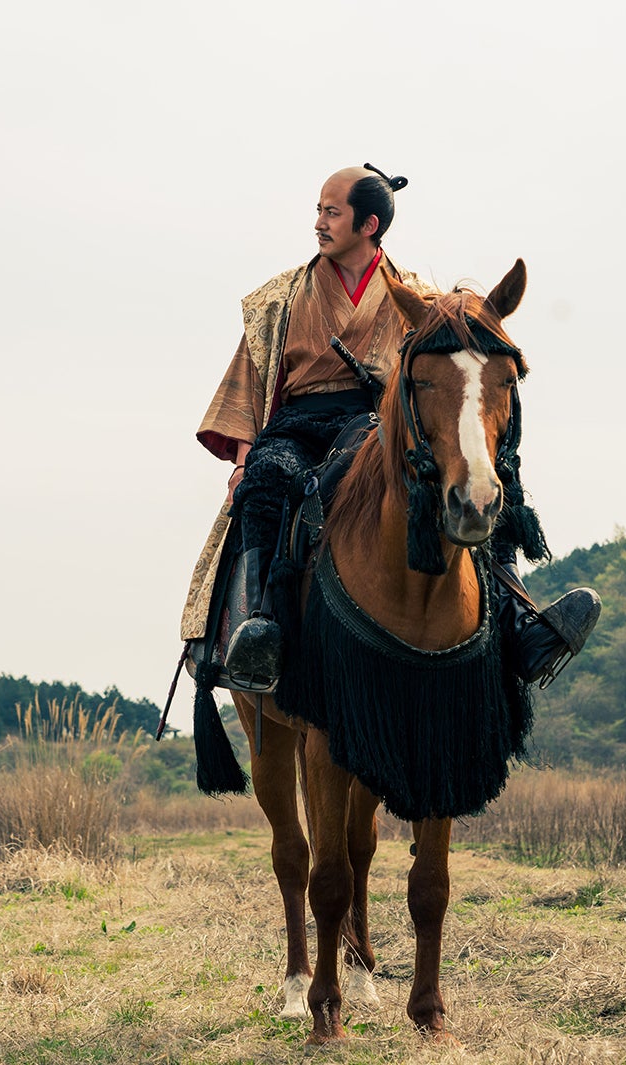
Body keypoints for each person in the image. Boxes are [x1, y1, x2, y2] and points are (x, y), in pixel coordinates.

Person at [186, 164, 598, 692]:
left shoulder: (421, 298)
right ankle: (261, 627)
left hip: (382, 421)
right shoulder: (280, 297)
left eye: (331, 212)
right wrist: (243, 461)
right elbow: (251, 380)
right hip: (300, 424)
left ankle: (519, 622)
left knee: (484, 478)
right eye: (318, 210)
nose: (319, 222)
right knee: (266, 480)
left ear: (369, 224)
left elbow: (451, 382)